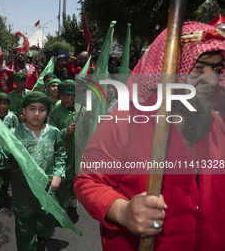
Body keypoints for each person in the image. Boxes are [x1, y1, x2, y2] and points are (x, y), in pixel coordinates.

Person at [74, 22, 225, 250]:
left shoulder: (216, 123)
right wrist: (123, 211)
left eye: (216, 69)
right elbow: (88, 181)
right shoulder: (124, 122)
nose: (212, 80)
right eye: (199, 68)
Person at [12, 91, 66, 250]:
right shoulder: (14, 133)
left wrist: (58, 173)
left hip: (47, 191)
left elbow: (60, 155)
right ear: (24, 111)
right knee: (24, 235)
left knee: (47, 226)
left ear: (47, 112)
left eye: (42, 109)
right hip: (23, 195)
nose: (36, 113)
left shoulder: (54, 132)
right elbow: (3, 158)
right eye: (32, 108)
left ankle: (43, 234)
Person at [48, 80, 90, 211]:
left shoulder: (82, 109)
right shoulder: (55, 112)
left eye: (69, 95)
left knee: (76, 178)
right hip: (63, 153)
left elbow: (88, 133)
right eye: (62, 95)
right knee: (63, 180)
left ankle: (73, 196)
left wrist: (86, 122)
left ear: (74, 96)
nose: (65, 98)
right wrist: (65, 132)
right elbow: (50, 134)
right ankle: (62, 205)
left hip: (78, 152)